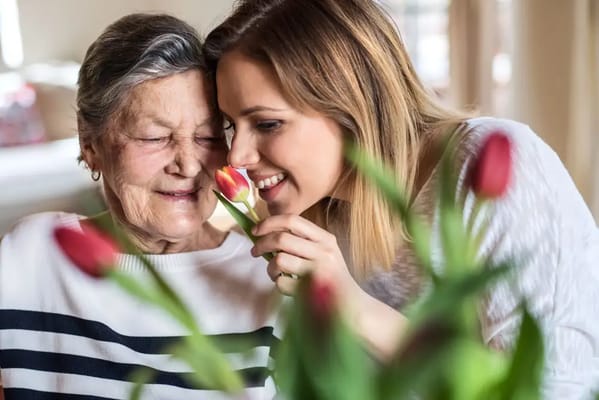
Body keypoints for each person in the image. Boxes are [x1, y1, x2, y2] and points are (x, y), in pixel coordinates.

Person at [203, 0, 599, 398]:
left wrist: (353, 306)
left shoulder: (485, 167)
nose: (238, 157)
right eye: (231, 126)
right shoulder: (319, 216)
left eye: (267, 124)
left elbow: (545, 387)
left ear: (349, 102)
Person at [0, 13, 281, 400]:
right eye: (155, 137)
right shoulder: (32, 256)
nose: (187, 164)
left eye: (208, 136)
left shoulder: (267, 276)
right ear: (90, 144)